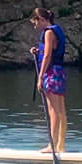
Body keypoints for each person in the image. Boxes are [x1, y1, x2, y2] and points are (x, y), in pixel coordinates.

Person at [30, 8, 67, 153]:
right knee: (61, 111)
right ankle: (60, 146)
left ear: (41, 19)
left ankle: (51, 146)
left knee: (53, 111)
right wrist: (37, 51)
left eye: (35, 22)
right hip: (59, 72)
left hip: (50, 74)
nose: (35, 26)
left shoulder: (48, 32)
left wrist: (40, 77)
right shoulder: (56, 31)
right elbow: (49, 50)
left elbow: (47, 56)